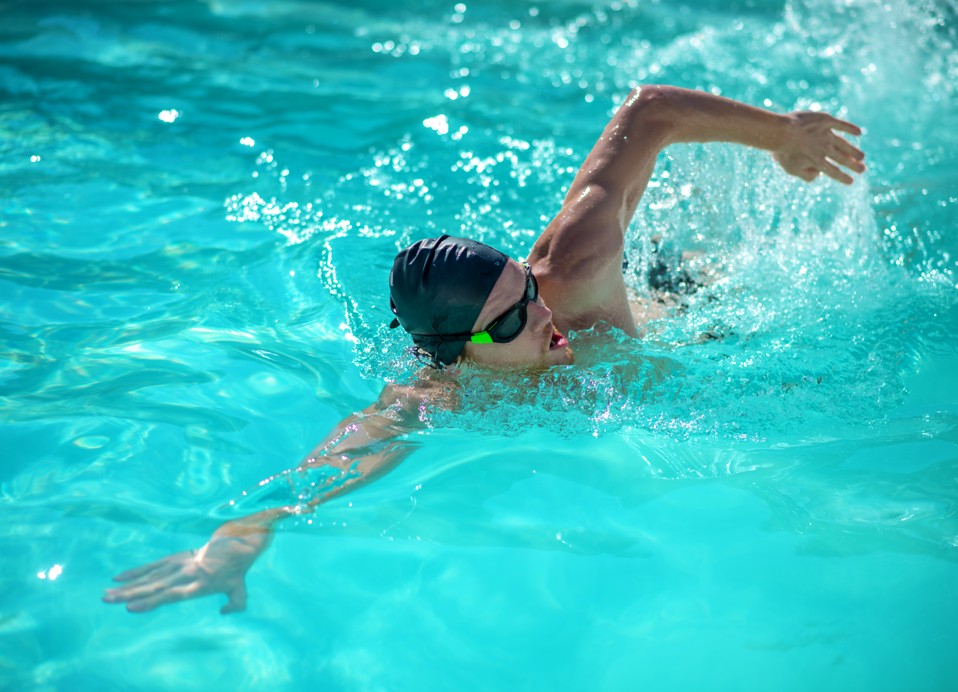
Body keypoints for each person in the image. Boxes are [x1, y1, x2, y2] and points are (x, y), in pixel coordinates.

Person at [103, 85, 865, 613]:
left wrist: (781, 137)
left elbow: (651, 110)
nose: (540, 317)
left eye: (524, 291)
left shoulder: (576, 265)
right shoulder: (441, 394)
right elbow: (342, 458)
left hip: (690, 301)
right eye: (509, 322)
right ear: (452, 355)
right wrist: (238, 541)